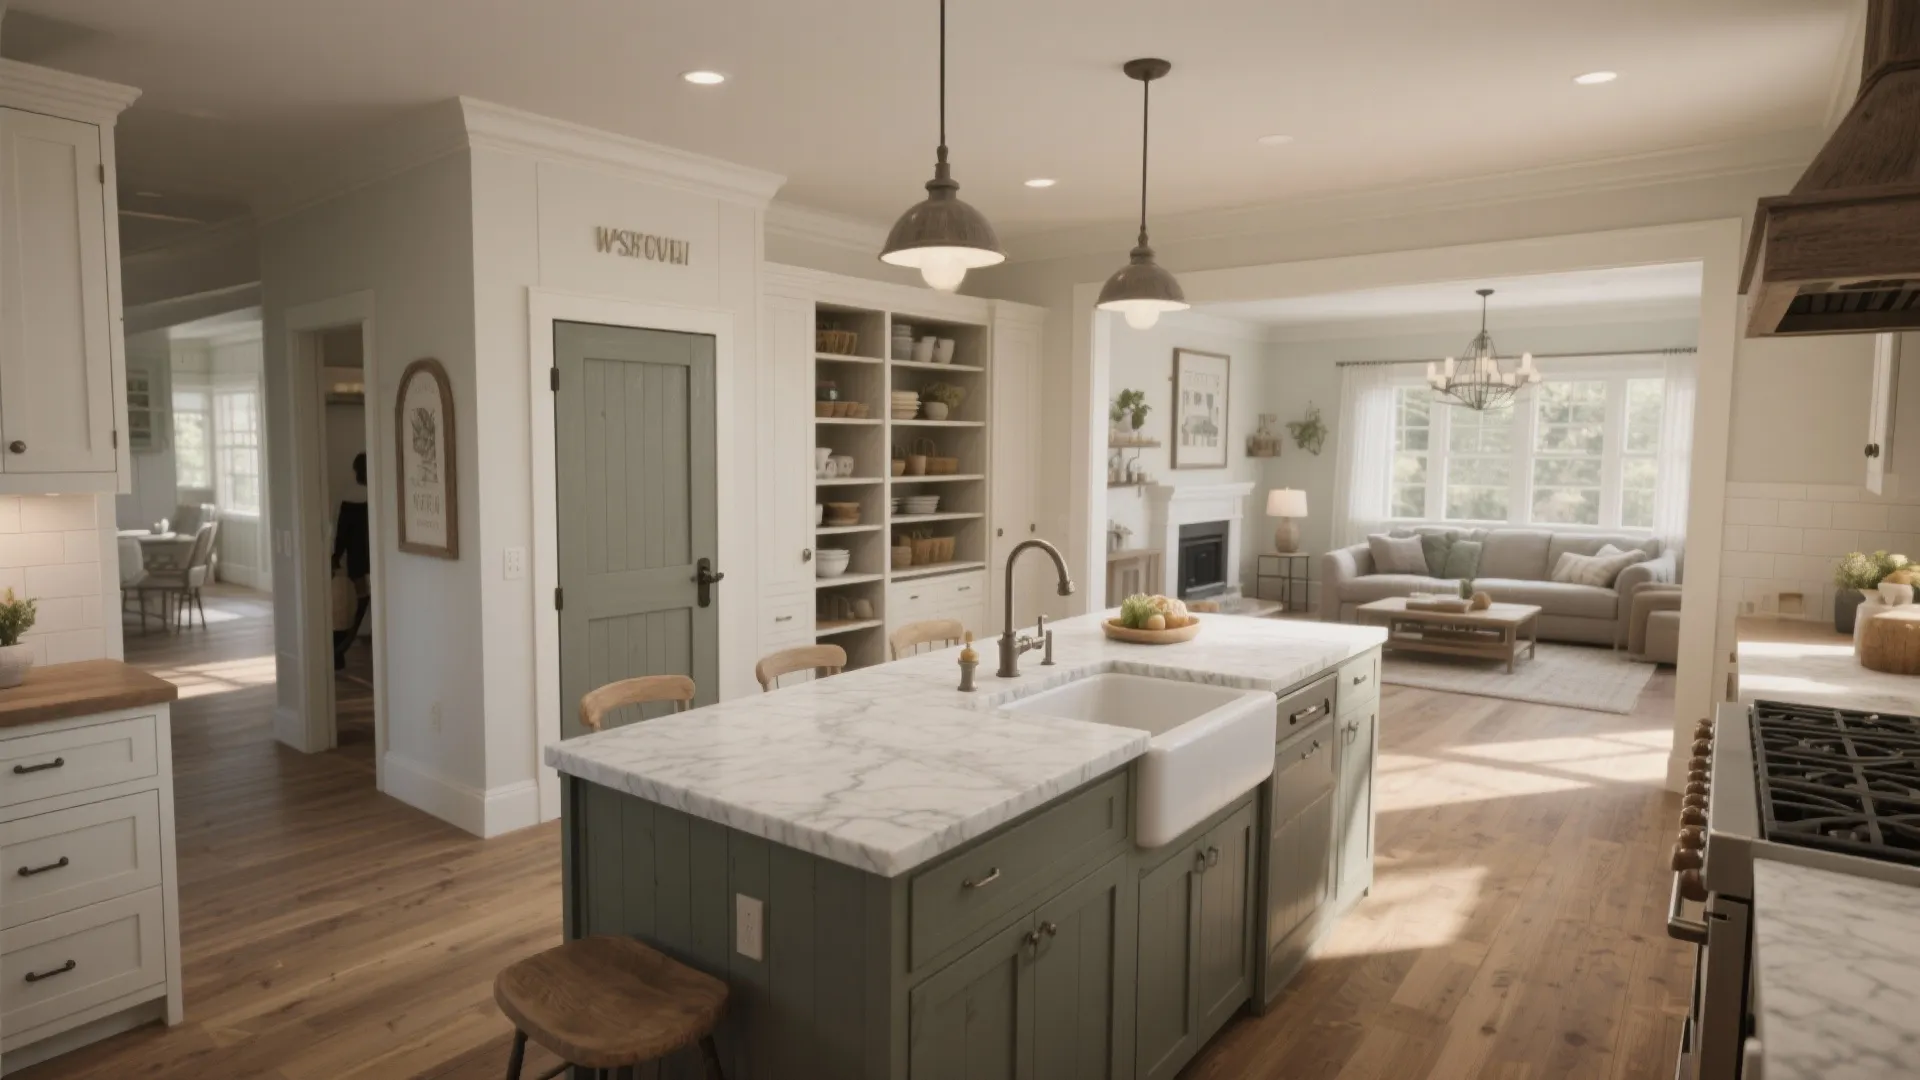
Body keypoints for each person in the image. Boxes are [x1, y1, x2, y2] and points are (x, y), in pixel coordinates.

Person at [332, 453, 371, 670]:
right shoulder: (373, 496)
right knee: (359, 605)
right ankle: (340, 649)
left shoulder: (348, 498)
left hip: (356, 562)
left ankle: (340, 649)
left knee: (355, 607)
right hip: (368, 560)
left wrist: (336, 556)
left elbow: (341, 534)